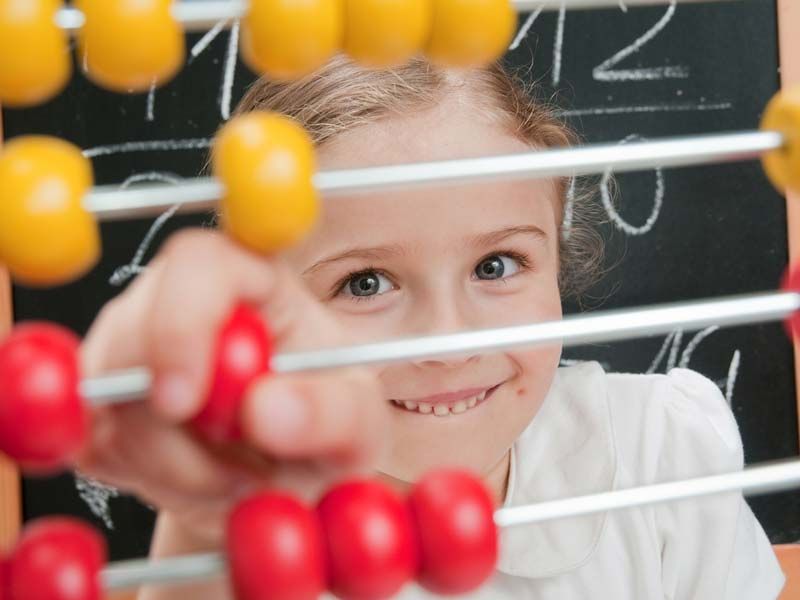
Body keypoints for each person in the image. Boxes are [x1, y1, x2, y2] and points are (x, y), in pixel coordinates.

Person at [77, 56, 785, 599]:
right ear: (263, 318)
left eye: (497, 264)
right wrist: (207, 524)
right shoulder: (247, 540)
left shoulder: (661, 454)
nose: (449, 341)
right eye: (365, 283)